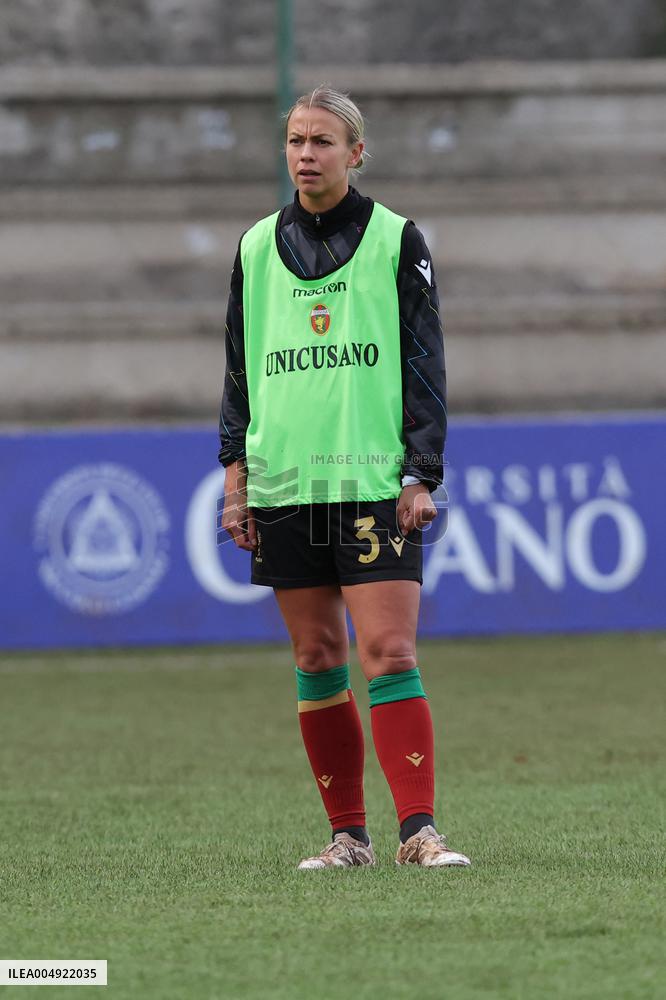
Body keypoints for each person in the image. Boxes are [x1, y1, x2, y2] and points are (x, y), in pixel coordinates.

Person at [218, 85, 470, 871]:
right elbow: (239, 374)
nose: (305, 154)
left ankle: (419, 833)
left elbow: (424, 362)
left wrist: (420, 470)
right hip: (286, 479)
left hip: (370, 481)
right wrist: (237, 478)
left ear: (355, 153)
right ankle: (347, 839)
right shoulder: (256, 246)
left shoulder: (398, 241)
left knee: (390, 653)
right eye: (296, 139)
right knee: (318, 657)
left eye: (322, 141)